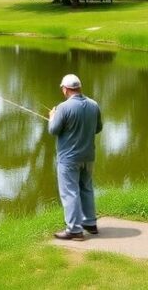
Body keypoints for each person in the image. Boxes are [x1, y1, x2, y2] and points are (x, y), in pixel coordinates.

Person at [48, 74, 103, 240]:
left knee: (70, 192)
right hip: (88, 157)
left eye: (62, 89)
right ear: (79, 87)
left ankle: (74, 230)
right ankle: (90, 223)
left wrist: (52, 117)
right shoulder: (94, 105)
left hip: (69, 159)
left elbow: (53, 130)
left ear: (65, 89)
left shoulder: (63, 108)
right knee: (86, 188)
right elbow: (98, 128)